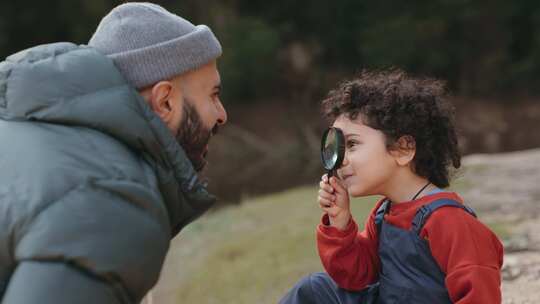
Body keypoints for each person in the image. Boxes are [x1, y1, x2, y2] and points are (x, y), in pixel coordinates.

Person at [0, 2, 227, 303]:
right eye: (213, 94)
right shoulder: (112, 201)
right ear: (165, 102)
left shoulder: (23, 136)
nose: (222, 114)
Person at [280, 70, 503, 303]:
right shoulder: (384, 214)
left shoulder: (451, 222)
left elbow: (480, 295)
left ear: (403, 149)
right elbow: (357, 278)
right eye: (338, 149)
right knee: (314, 289)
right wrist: (340, 222)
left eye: (352, 144)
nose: (341, 160)